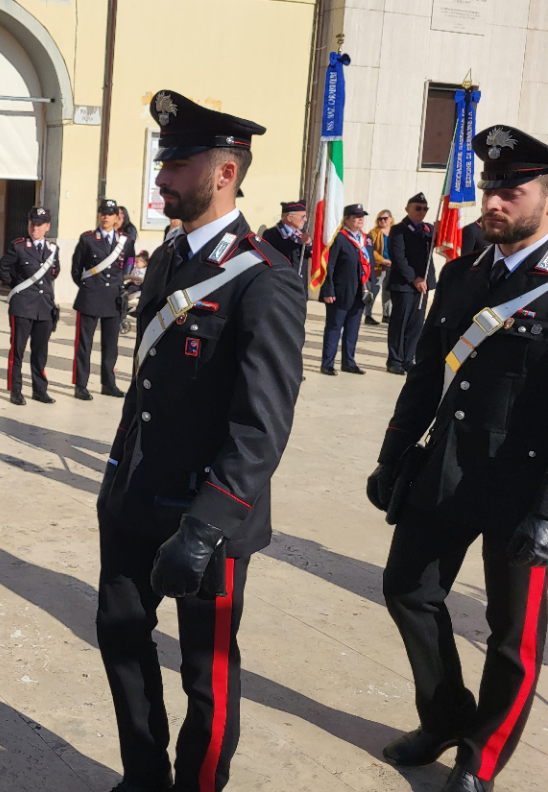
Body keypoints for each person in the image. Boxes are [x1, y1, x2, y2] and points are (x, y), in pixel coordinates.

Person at [97, 91, 305, 792]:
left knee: (205, 671)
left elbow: (262, 423)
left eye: (178, 164)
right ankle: (144, 775)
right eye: (164, 161)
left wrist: (206, 527)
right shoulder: (168, 259)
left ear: (224, 172)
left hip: (202, 515)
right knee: (120, 636)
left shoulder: (266, 279)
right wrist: (114, 483)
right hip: (134, 500)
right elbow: (148, 390)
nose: (161, 178)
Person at [367, 124, 548, 792]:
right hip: (445, 468)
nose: (495, 200)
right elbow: (426, 372)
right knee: (407, 590)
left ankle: (484, 754)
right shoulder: (466, 271)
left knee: (513, 639)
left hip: (525, 489)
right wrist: (393, 458)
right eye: (491, 186)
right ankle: (446, 715)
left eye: (513, 188)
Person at [0, 206, 60, 406]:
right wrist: (17, 286)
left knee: (40, 352)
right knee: (18, 350)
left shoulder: (53, 250)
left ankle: (40, 390)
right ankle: (16, 390)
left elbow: (54, 274)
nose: (35, 228)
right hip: (23, 306)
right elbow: (1, 270)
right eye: (32, 224)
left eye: (39, 225)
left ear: (47, 226)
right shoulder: (19, 246)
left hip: (45, 308)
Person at [70, 198, 130, 401]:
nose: (106, 216)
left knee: (110, 344)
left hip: (113, 298)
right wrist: (89, 288)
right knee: (84, 344)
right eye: (103, 212)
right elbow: (76, 269)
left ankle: (108, 383)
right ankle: (81, 385)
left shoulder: (125, 241)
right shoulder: (87, 239)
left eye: (110, 213)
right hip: (90, 296)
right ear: (98, 215)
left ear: (116, 218)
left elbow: (127, 266)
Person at [318, 204, 371, 376]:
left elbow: (368, 266)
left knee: (353, 330)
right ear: (347, 219)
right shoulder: (339, 238)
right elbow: (329, 266)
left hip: (359, 292)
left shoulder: (366, 239)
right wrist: (328, 290)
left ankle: (349, 362)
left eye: (362, 216)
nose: (360, 219)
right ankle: (327, 364)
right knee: (334, 328)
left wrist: (370, 287)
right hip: (340, 292)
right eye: (356, 216)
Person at [386, 193, 436, 374]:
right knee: (400, 323)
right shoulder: (399, 229)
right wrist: (414, 279)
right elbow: (398, 257)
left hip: (422, 285)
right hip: (405, 284)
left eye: (425, 209)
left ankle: (408, 358)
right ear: (408, 209)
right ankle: (395, 360)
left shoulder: (429, 229)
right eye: (418, 208)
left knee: (416, 324)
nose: (421, 212)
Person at [260, 200, 311, 275]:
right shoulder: (272, 234)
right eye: (302, 217)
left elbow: (311, 254)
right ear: (290, 218)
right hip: (283, 281)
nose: (305, 220)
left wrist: (309, 243)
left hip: (301, 282)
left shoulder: (302, 233)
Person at [367, 209, 394, 325]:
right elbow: (370, 250)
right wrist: (383, 260)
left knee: (388, 291)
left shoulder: (395, 232)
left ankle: (386, 315)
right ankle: (368, 315)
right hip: (379, 266)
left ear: (391, 219)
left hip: (393, 266)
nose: (382, 221)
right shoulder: (373, 233)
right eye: (380, 218)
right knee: (374, 290)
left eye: (385, 218)